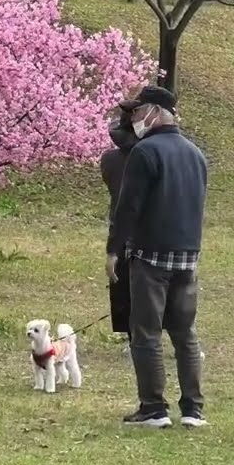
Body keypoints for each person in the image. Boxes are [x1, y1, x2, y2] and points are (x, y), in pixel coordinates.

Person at [106, 85, 208, 429]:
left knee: (146, 333)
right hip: (187, 255)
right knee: (185, 333)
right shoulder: (196, 154)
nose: (133, 118)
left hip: (151, 255)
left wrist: (114, 251)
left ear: (154, 111)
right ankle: (193, 409)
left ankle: (153, 408)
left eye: (137, 111)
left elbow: (128, 208)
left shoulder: (145, 152)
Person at [100, 116, 138, 349]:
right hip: (149, 225)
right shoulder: (146, 158)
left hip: (120, 223)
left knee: (122, 280)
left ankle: (131, 332)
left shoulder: (109, 160)